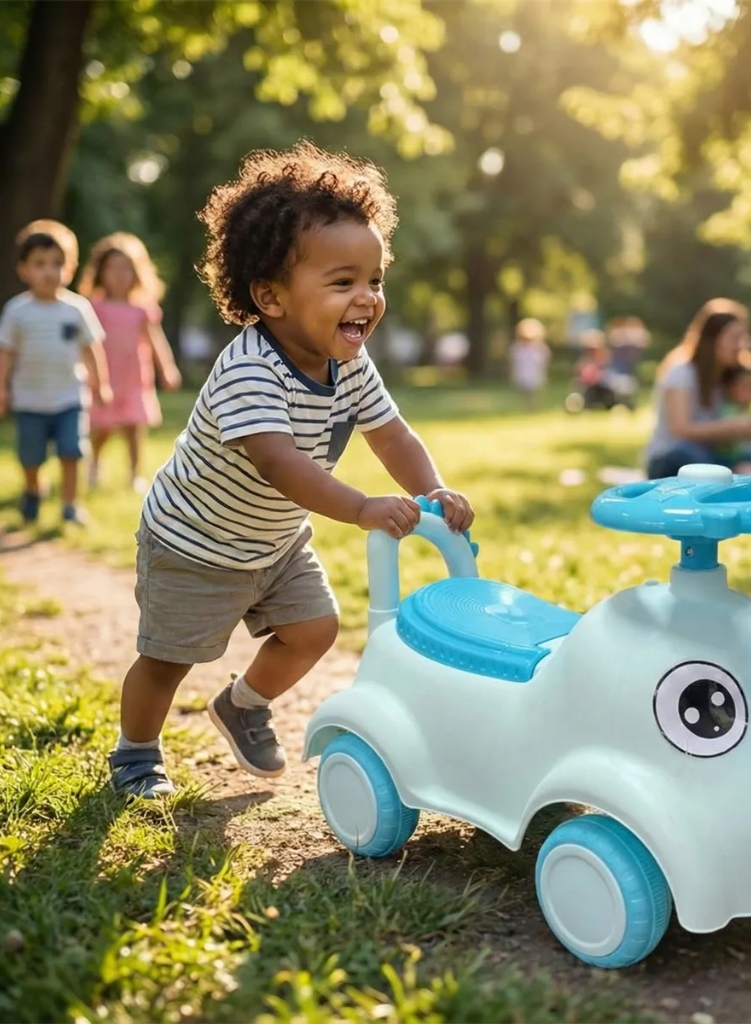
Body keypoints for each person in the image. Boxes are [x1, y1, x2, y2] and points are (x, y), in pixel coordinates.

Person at [108, 141, 475, 799]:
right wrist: (363, 508)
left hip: (272, 543)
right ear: (271, 297)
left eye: (374, 280)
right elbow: (279, 462)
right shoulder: (250, 368)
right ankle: (135, 754)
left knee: (315, 630)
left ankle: (243, 704)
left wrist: (431, 489)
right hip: (193, 543)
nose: (365, 298)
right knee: (168, 659)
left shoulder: (349, 364)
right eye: (342, 282)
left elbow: (391, 433)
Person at [0, 230, 112, 525]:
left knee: (72, 452)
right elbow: (4, 353)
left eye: (57, 263)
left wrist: (101, 384)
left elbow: (91, 348)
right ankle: (33, 488)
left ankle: (70, 505)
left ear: (70, 269)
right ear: (23, 270)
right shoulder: (17, 311)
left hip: (69, 396)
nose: (49, 271)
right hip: (29, 399)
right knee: (30, 457)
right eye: (40, 263)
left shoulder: (77, 308)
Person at [78, 233, 182, 492]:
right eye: (112, 268)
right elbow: (85, 344)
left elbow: (156, 341)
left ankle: (135, 474)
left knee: (134, 427)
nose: (119, 275)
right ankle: (95, 462)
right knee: (102, 428)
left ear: (137, 273)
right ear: (101, 272)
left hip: (134, 377)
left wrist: (167, 369)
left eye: (126, 268)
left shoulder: (142, 309)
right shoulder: (94, 308)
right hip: (105, 377)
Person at [645, 298, 751, 479]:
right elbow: (681, 429)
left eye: (744, 338)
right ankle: (735, 476)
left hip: (709, 456)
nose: (741, 346)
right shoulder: (681, 372)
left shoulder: (726, 376)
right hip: (671, 460)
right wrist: (731, 427)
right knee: (689, 454)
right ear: (712, 339)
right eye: (734, 338)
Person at [507, 317, 551, 410]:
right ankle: (525, 406)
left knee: (535, 391)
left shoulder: (539, 347)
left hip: (535, 373)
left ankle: (535, 407)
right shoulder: (517, 347)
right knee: (524, 392)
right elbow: (513, 361)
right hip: (522, 373)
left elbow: (546, 358)